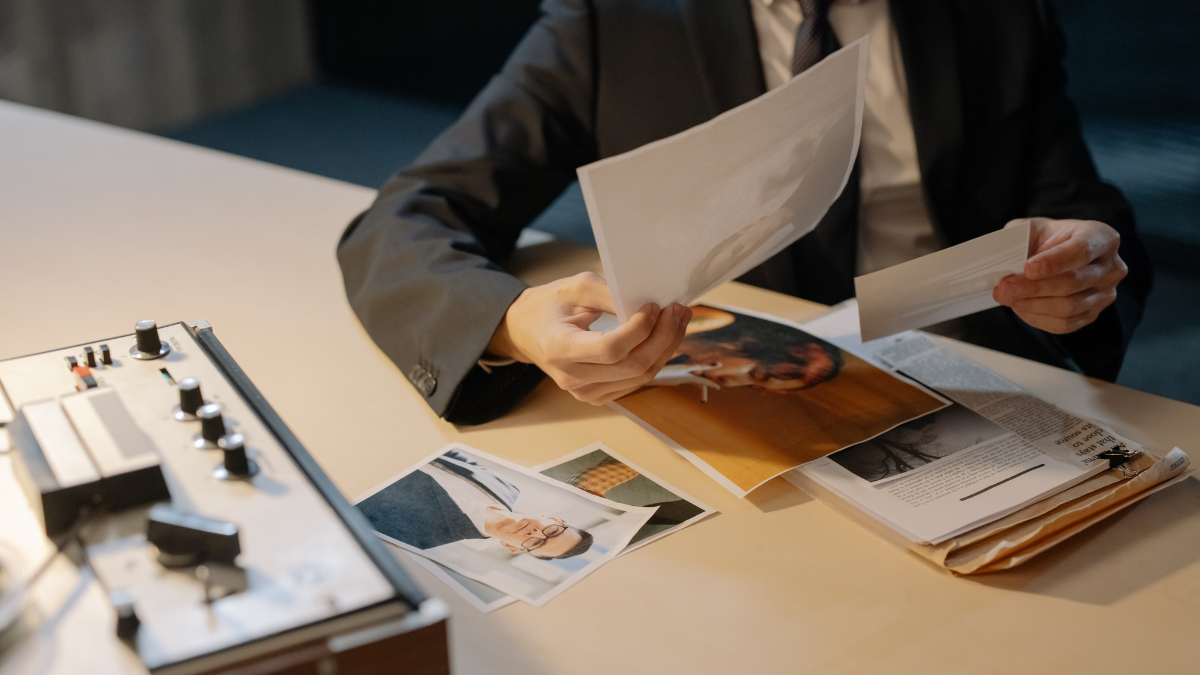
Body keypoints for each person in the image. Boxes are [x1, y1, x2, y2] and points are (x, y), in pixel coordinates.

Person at [337, 0, 1150, 426]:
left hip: (968, 379)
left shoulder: (995, 13)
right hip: (727, 392)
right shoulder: (610, 21)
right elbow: (406, 217)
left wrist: (1082, 266)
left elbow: (1080, 212)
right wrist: (514, 322)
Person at [357, 449, 595, 559]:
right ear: (554, 519)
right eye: (552, 531)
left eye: (535, 542)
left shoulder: (422, 538)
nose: (537, 532)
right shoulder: (507, 487)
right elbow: (451, 453)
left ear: (512, 548)